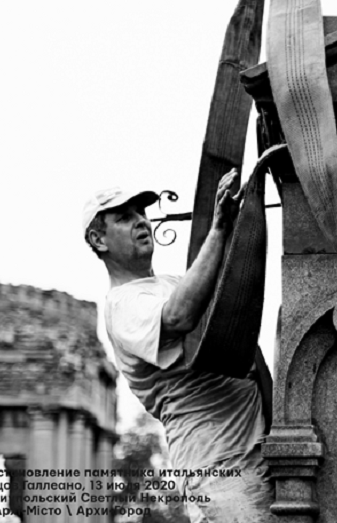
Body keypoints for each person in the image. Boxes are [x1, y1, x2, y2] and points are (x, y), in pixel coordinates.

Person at [83, 170, 274, 523]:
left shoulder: (172, 282)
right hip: (219, 471)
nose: (141, 221)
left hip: (262, 453)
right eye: (124, 218)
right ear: (99, 239)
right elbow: (178, 318)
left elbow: (243, 339)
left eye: (142, 213)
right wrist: (218, 229)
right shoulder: (122, 304)